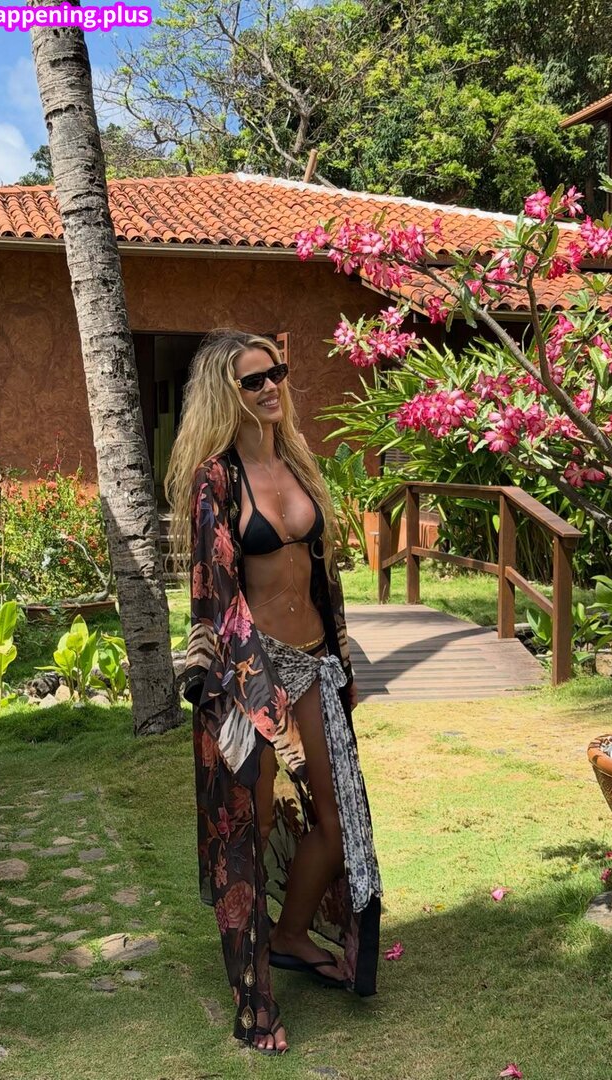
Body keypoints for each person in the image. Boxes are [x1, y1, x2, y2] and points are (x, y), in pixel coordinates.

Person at [165, 329, 382, 1055]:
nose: (269, 389)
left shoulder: (298, 464)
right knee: (248, 836)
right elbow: (214, 590)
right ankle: (254, 998)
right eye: (252, 380)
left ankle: (290, 936)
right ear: (226, 394)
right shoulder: (216, 480)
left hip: (315, 662)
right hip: (250, 673)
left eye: (275, 374)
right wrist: (244, 686)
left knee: (338, 822)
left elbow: (324, 575)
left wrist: (343, 657)